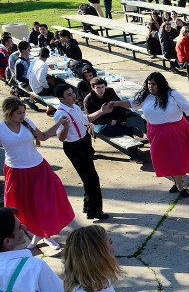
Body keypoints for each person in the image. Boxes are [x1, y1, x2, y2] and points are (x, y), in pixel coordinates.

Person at [108, 72, 189, 197]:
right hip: (155, 132)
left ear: (161, 84)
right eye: (149, 83)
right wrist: (117, 103)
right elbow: (132, 103)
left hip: (175, 130)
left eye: (153, 84)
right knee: (164, 160)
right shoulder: (145, 96)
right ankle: (177, 182)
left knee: (176, 160)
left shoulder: (173, 94)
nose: (150, 86)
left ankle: (179, 186)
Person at [1, 97, 74, 250]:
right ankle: (39, 235)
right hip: (16, 173)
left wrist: (60, 122)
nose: (22, 116)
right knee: (23, 208)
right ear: (8, 113)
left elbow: (43, 137)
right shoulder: (1, 128)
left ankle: (45, 236)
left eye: (23, 112)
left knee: (44, 205)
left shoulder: (27, 123)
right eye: (18, 113)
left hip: (39, 169)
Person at [53, 84, 112, 221]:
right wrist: (66, 126)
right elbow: (61, 138)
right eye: (68, 94)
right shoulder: (60, 114)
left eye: (72, 93)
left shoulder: (75, 107)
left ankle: (88, 207)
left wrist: (102, 111)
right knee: (91, 179)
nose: (73, 95)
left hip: (83, 142)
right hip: (74, 147)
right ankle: (94, 211)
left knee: (89, 178)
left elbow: (86, 119)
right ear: (61, 98)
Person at [83, 76, 144, 146]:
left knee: (121, 125)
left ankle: (133, 153)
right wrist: (108, 121)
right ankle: (130, 130)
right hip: (98, 122)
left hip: (115, 119)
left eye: (103, 87)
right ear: (93, 88)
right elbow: (90, 118)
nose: (101, 90)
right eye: (98, 88)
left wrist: (122, 120)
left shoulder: (110, 92)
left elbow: (120, 106)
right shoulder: (88, 100)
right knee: (100, 130)